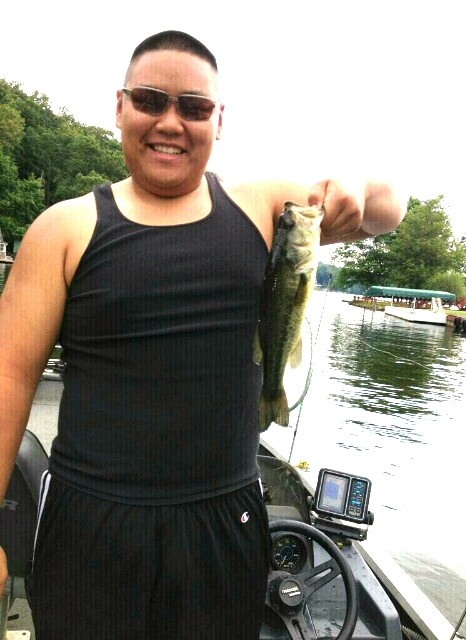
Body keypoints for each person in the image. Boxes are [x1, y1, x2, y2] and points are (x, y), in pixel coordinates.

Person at [0, 30, 405, 639]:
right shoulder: (64, 228)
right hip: (90, 523)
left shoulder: (266, 209)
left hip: (225, 521)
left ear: (220, 120)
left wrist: (354, 184)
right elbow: (8, 376)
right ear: (119, 107)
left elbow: (389, 209)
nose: (171, 122)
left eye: (193, 108)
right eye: (150, 100)